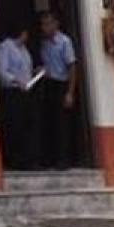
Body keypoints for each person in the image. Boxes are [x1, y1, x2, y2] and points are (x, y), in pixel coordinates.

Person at [38, 11, 78, 169]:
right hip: (48, 84)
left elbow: (72, 66)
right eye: (43, 24)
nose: (45, 27)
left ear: (56, 24)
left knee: (63, 125)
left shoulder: (64, 42)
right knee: (49, 122)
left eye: (48, 23)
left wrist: (70, 92)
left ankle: (65, 160)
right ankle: (50, 159)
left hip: (62, 84)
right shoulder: (43, 43)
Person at [0, 24, 37, 170]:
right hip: (12, 93)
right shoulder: (5, 47)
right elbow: (2, 71)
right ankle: (15, 161)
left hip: (26, 91)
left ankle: (28, 160)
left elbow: (26, 69)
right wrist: (17, 81)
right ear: (21, 32)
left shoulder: (23, 49)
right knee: (15, 126)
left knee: (27, 125)